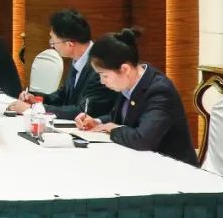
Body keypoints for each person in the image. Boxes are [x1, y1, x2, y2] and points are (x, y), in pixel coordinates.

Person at [75, 29, 198, 166]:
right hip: (140, 162)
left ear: (125, 69)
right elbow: (123, 118)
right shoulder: (129, 82)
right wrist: (98, 122)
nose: (102, 81)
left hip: (173, 168)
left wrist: (112, 128)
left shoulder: (159, 91)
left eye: (104, 75)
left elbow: (143, 139)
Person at [9, 9, 114, 118]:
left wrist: (34, 109)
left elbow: (84, 111)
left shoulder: (101, 67)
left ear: (70, 44)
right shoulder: (78, 58)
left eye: (54, 42)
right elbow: (63, 95)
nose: (52, 46)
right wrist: (36, 99)